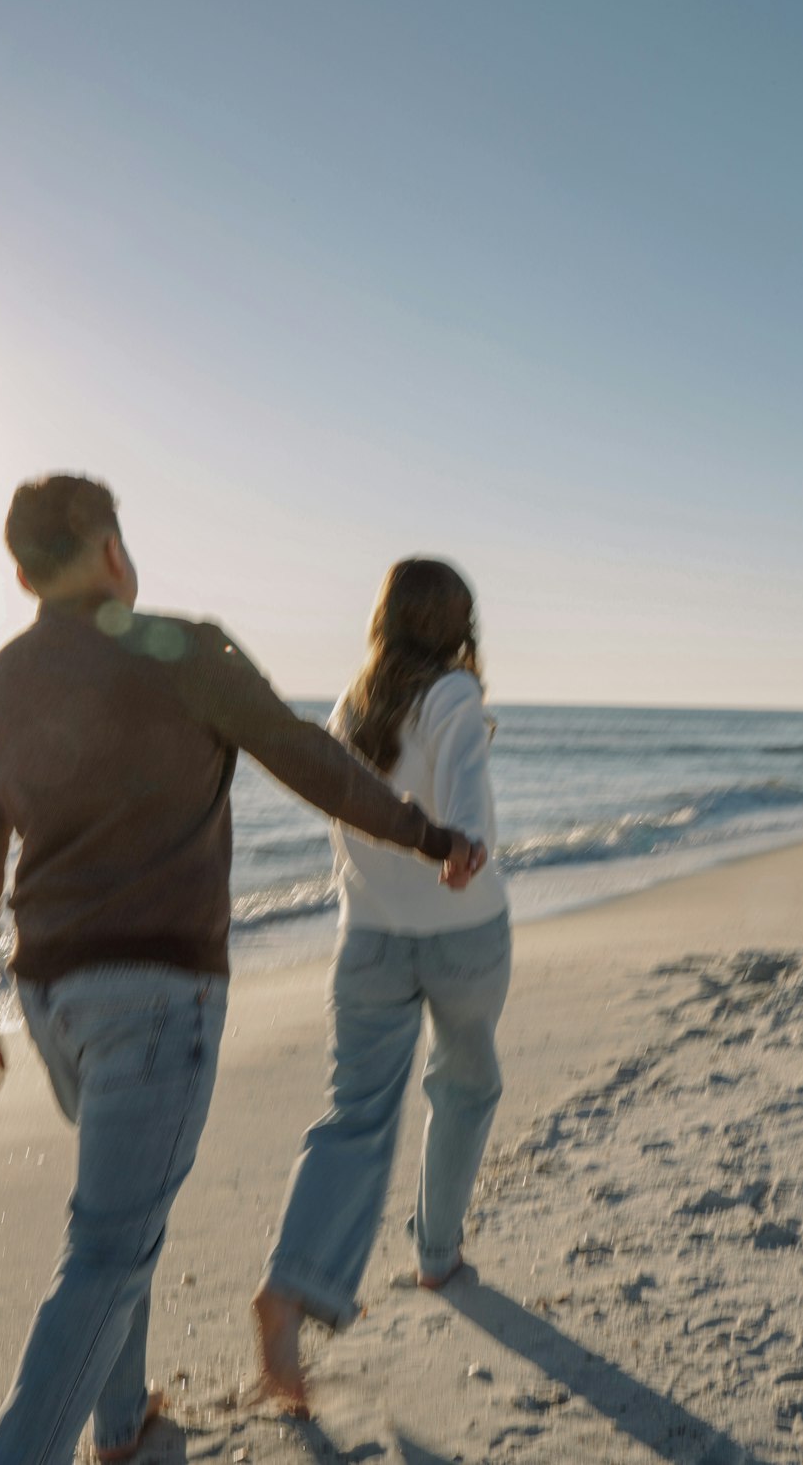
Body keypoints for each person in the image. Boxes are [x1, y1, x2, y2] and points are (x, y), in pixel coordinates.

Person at [0, 478, 481, 1465]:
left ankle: (121, 1418)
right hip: (155, 995)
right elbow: (304, 756)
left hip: (48, 999)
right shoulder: (180, 648)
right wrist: (424, 833)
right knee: (110, 1246)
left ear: (20, 574)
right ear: (111, 554)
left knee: (120, 1217)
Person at [253, 558, 511, 1413]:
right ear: (457, 624)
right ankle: (436, 1255)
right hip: (461, 939)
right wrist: (463, 844)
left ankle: (290, 1287)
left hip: (364, 944)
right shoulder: (456, 698)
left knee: (356, 1115)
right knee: (465, 1086)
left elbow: (360, 798)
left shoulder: (349, 706)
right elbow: (465, 791)